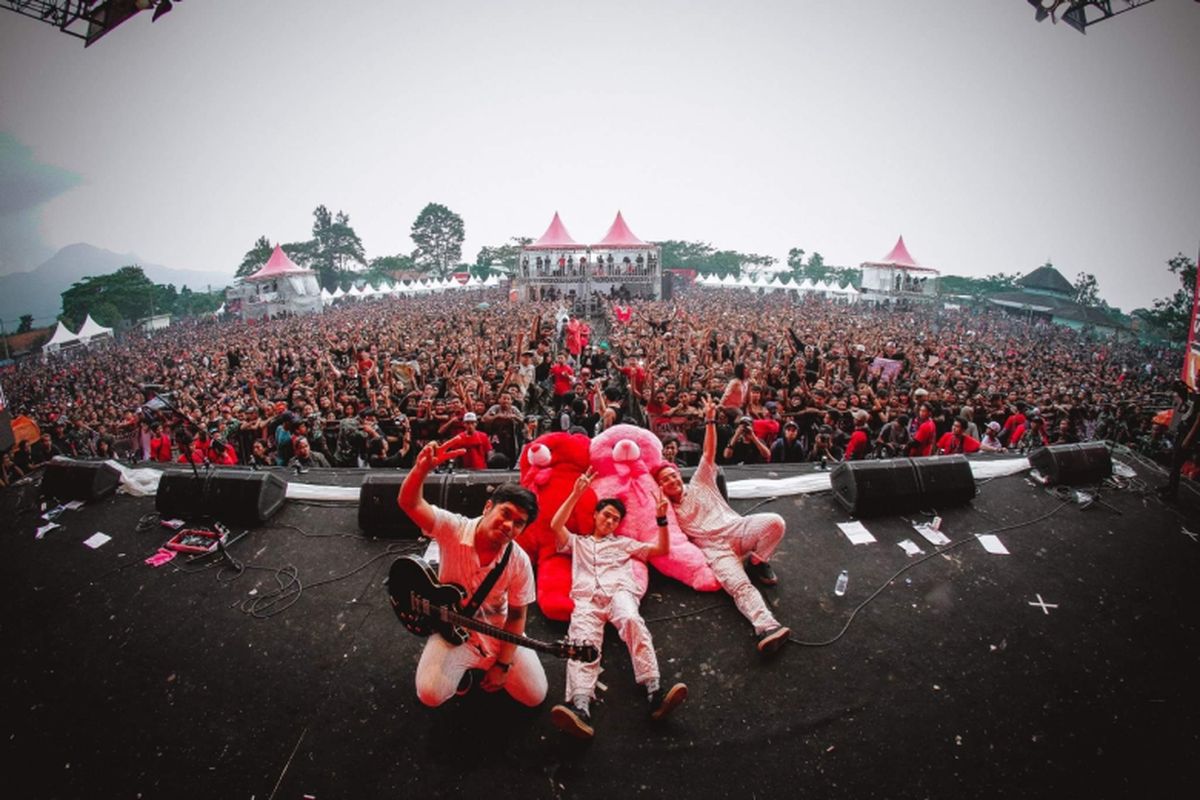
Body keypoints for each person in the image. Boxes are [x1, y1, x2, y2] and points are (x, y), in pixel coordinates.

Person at [396, 436, 547, 708]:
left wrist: (503, 664)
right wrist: (420, 469)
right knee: (430, 695)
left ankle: (486, 666)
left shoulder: (519, 561)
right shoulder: (452, 529)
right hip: (452, 629)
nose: (509, 526)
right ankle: (460, 669)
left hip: (499, 632)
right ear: (488, 507)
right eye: (506, 513)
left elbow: (517, 615)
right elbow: (409, 504)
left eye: (519, 523)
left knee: (535, 696)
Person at [548, 469, 687, 739]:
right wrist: (576, 493)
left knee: (633, 621)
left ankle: (654, 690)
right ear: (595, 516)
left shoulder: (624, 543)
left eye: (615, 518)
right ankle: (580, 708)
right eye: (606, 515)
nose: (610, 521)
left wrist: (661, 520)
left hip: (619, 593)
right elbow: (556, 525)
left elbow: (660, 550)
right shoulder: (578, 543)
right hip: (586, 600)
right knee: (581, 643)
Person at [654, 398, 791, 656]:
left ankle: (758, 561)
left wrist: (710, 420)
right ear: (660, 487)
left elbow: (708, 451)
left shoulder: (700, 481)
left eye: (672, 474)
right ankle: (766, 627)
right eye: (664, 480)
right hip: (716, 551)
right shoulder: (669, 511)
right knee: (739, 587)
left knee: (775, 523)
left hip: (738, 528)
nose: (671, 479)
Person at [1158, 380, 1200, 501]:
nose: (1196, 379)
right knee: (1174, 461)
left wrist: (1188, 439)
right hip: (1182, 431)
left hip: (1188, 435)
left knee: (1177, 463)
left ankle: (1172, 493)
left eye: (1199, 376)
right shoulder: (1194, 395)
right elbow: (1183, 409)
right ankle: (1169, 486)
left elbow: (1198, 421)